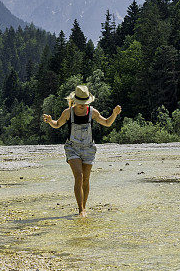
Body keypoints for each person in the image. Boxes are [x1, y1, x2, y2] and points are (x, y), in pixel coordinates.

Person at [42, 85, 121, 217]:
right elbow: (57, 124)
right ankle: (81, 210)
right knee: (79, 176)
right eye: (81, 103)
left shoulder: (93, 112)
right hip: (72, 147)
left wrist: (114, 114)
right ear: (75, 101)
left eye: (85, 103)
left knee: (86, 179)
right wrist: (50, 121)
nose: (83, 106)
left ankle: (84, 206)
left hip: (88, 148)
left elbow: (107, 123)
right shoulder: (68, 112)